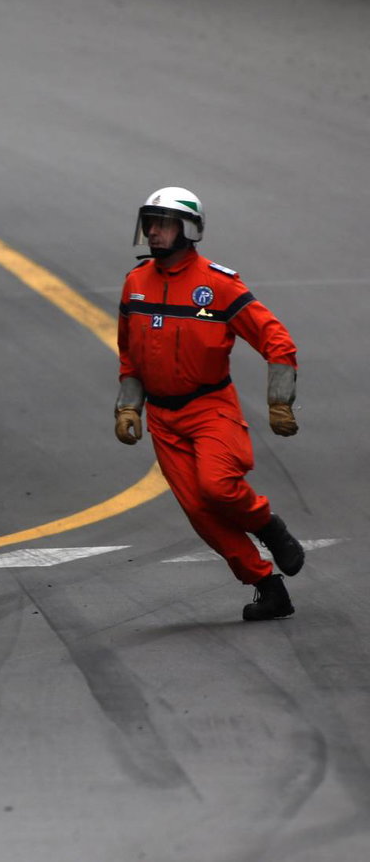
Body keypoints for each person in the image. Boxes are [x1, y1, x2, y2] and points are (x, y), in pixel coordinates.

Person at [113, 187, 305, 620]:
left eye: (164, 224)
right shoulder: (135, 284)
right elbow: (130, 355)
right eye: (151, 223)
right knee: (200, 511)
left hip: (210, 407)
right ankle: (267, 586)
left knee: (218, 488)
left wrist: (280, 401)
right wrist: (129, 407)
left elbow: (275, 339)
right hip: (163, 419)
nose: (154, 233)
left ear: (189, 230)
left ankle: (267, 525)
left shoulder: (217, 284)